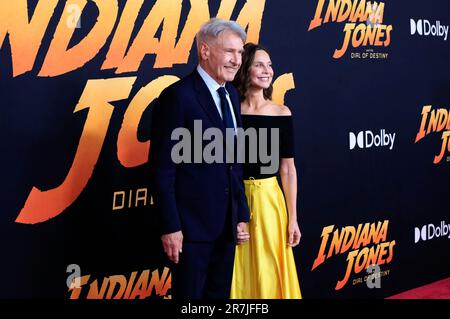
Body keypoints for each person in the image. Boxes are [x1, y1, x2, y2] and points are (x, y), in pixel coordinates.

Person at [149, 18, 250, 299]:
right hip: (191, 230)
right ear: (205, 51)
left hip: (226, 228)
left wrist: (240, 214)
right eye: (230, 51)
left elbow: (234, 161)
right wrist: (171, 226)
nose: (237, 60)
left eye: (240, 53)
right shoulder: (178, 97)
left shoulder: (230, 93)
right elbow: (163, 169)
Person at [230, 43, 302, 299]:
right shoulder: (229, 112)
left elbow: (288, 169)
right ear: (245, 68)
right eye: (259, 64)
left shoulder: (281, 112)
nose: (267, 70)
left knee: (271, 267)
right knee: (237, 268)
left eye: (269, 65)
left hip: (269, 201)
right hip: (233, 199)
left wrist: (292, 218)